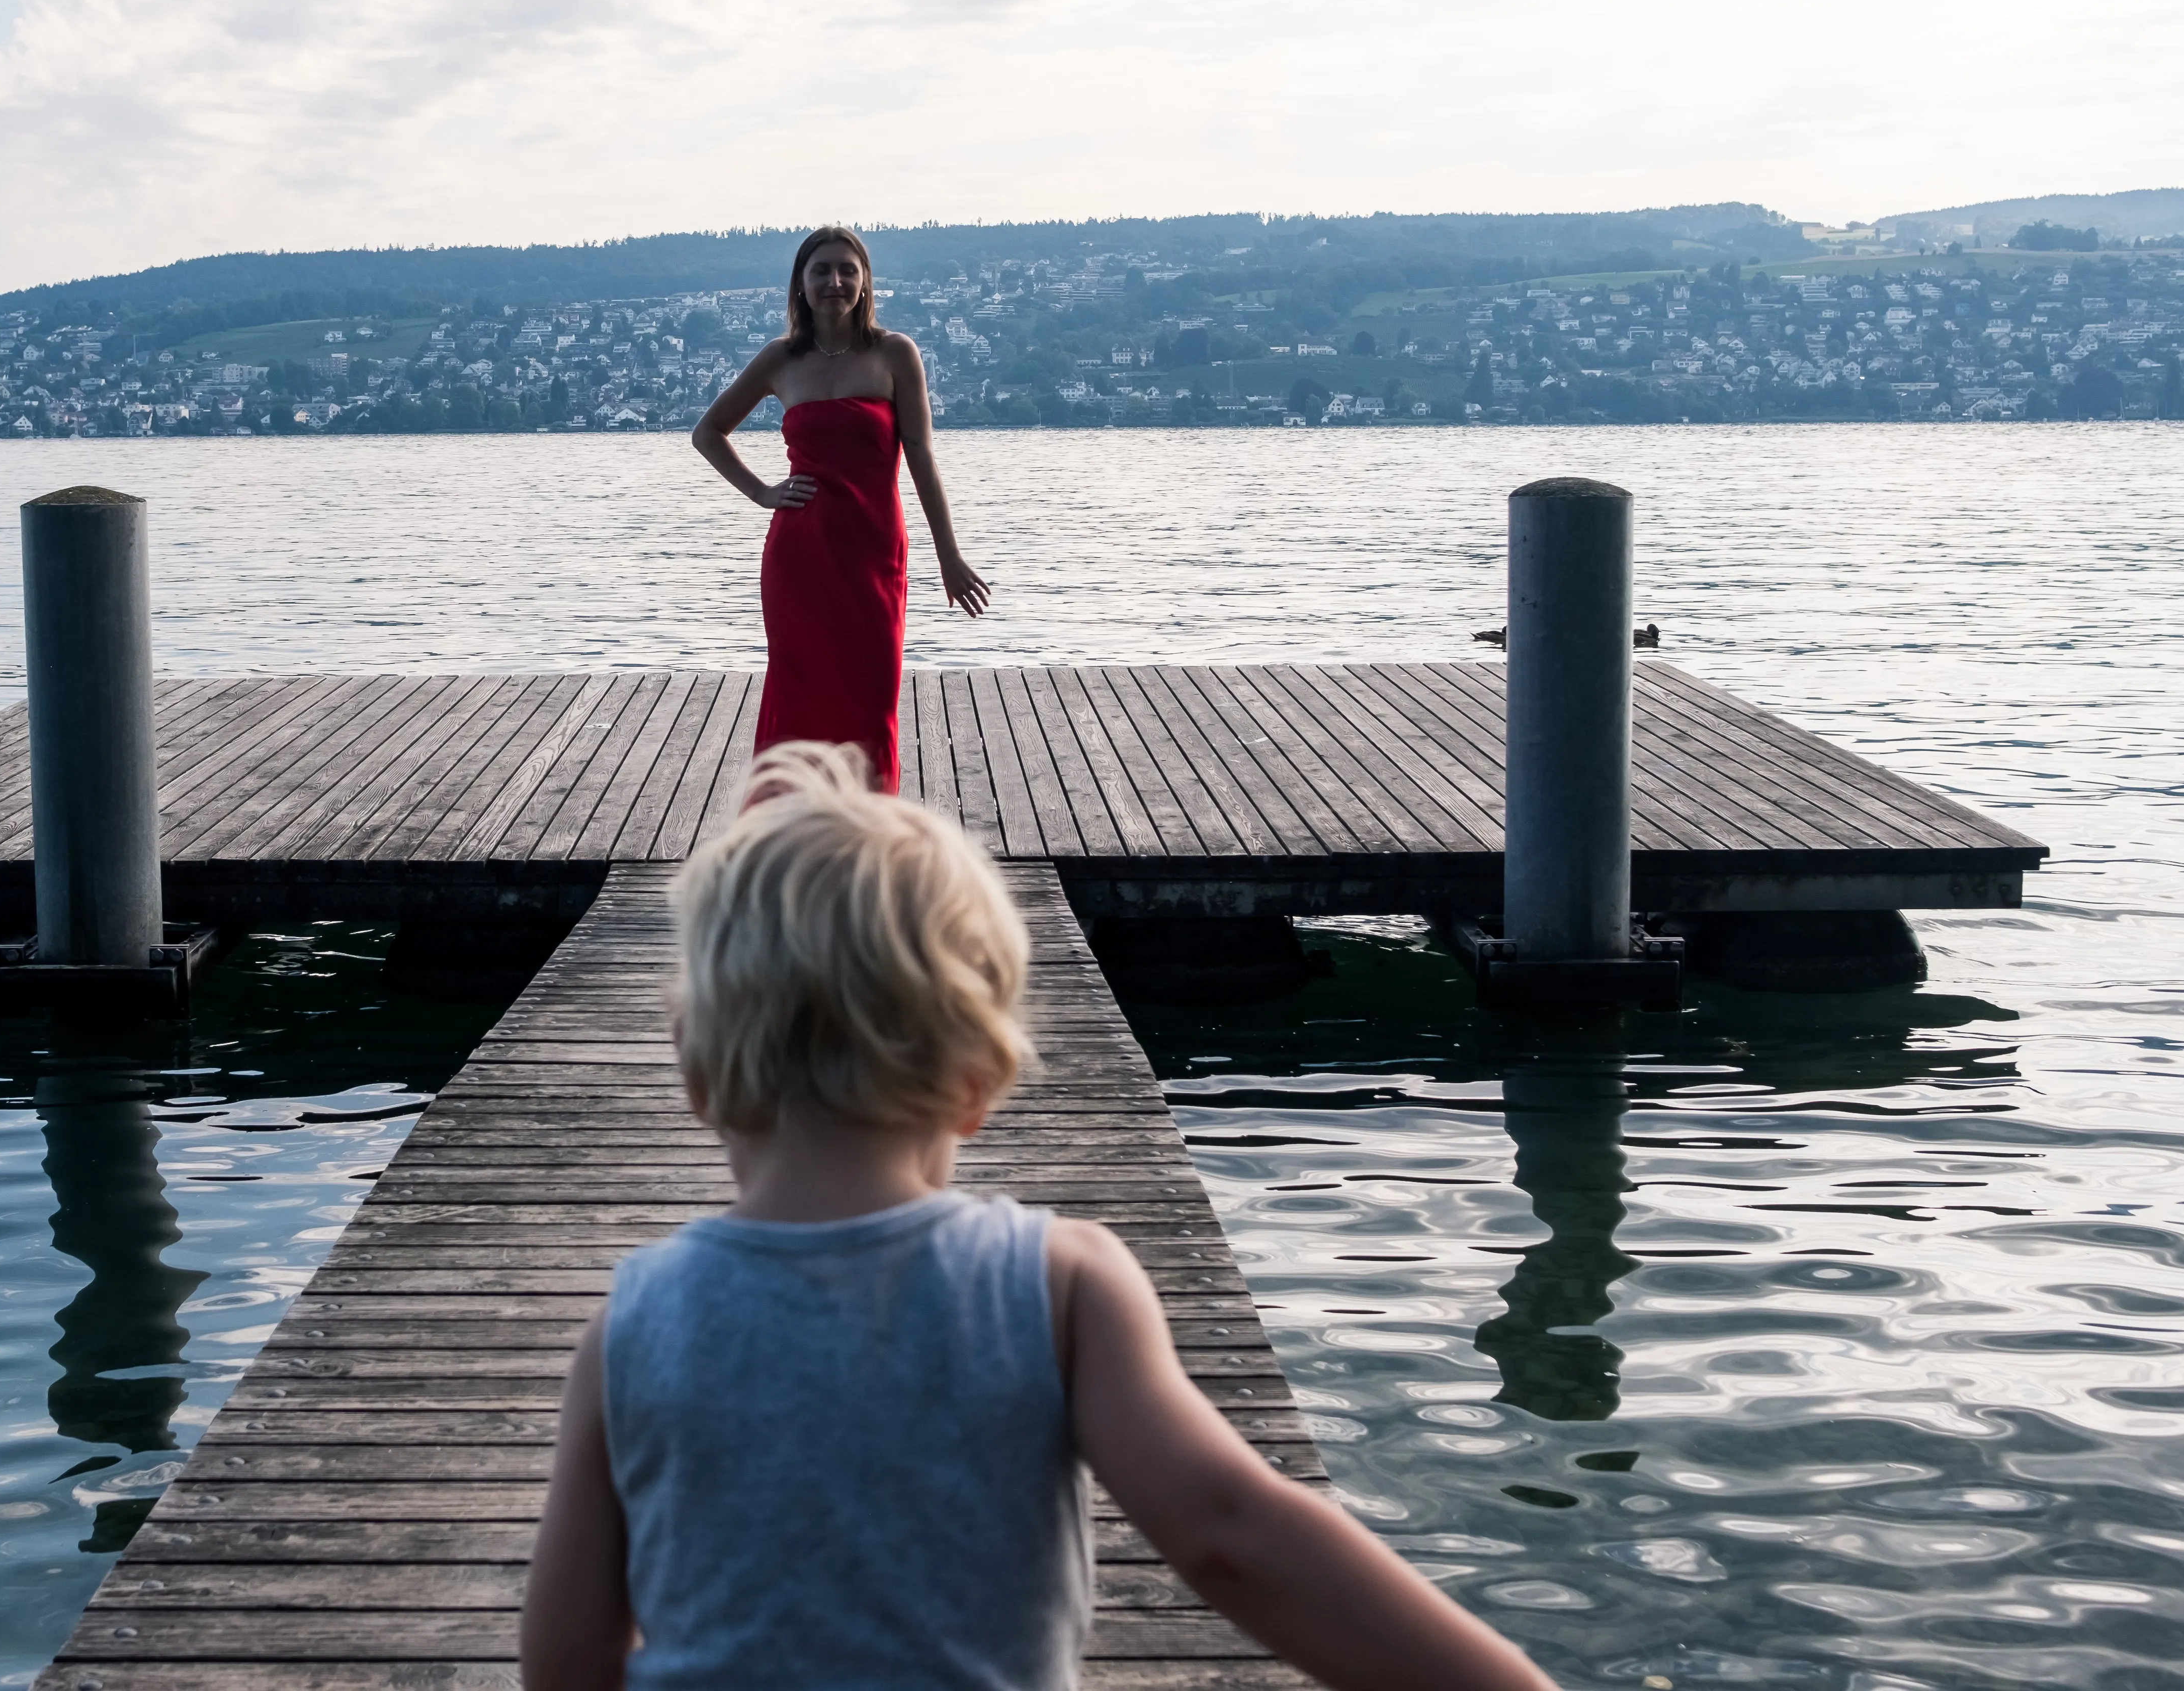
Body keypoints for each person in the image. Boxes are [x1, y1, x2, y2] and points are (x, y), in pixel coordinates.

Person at [518, 742, 1560, 1691]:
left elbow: (564, 1660)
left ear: (698, 1074)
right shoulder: (1054, 1285)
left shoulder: (635, 1321)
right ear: (979, 1078)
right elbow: (1228, 1533)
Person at [691, 228, 989, 792]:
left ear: (865, 281)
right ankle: (789, 842)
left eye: (847, 270)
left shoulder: (894, 353)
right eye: (821, 271)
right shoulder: (781, 359)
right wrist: (761, 493)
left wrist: (949, 555)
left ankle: (871, 847)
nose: (835, 281)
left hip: (874, 553)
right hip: (800, 556)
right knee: (799, 699)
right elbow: (708, 433)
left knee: (870, 701)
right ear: (800, 285)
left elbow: (922, 455)